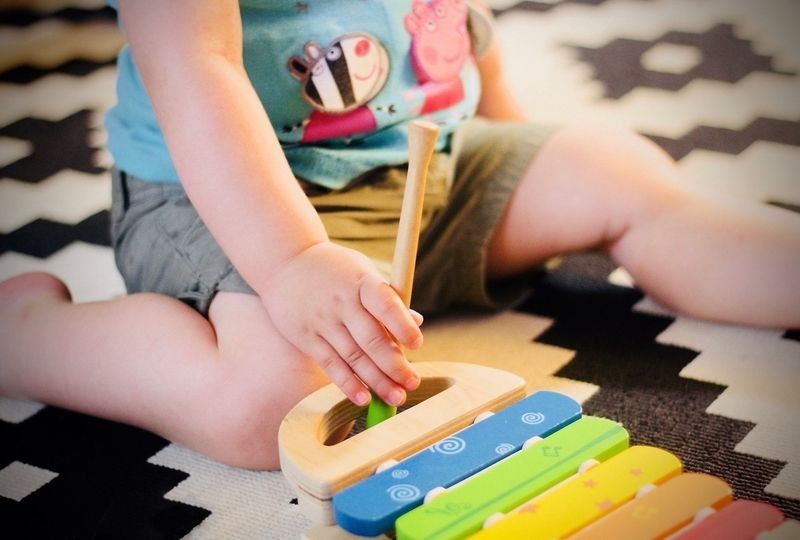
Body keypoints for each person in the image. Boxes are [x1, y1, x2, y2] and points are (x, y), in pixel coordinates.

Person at [1, 0, 798, 470]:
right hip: (227, 201)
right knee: (272, 407)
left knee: (611, 166)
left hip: (426, 163)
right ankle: (33, 337)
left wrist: (522, 146)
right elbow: (197, 69)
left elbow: (456, 26)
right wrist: (294, 263)